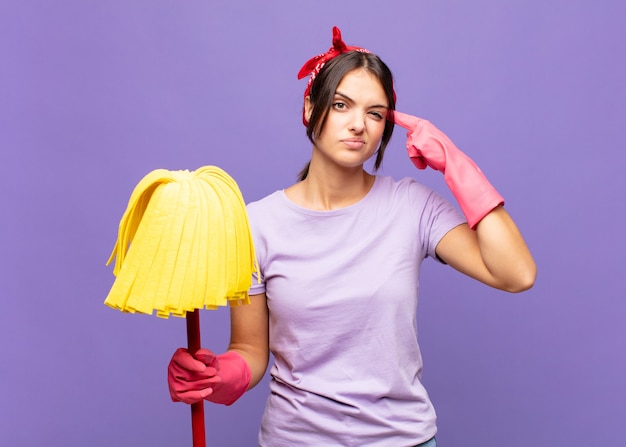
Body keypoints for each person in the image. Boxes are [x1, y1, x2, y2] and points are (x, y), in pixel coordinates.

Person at [167, 26, 536, 447]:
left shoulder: (411, 206)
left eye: (376, 113)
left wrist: (456, 163)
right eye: (341, 105)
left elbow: (516, 274)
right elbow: (250, 351)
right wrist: (218, 376)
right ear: (310, 108)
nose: (358, 124)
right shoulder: (254, 224)